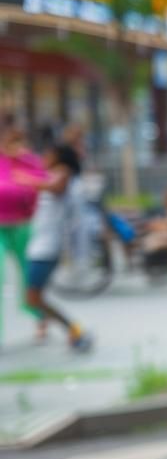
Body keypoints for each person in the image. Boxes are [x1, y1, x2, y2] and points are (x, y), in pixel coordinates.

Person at [18, 143, 92, 351]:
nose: (44, 156)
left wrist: (24, 179)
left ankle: (75, 330)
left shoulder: (63, 174)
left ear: (58, 157)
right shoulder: (53, 174)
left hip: (47, 247)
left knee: (33, 297)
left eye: (48, 153)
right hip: (40, 245)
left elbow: (55, 187)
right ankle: (69, 330)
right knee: (34, 297)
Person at [0, 115, 46, 338]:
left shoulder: (29, 162)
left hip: (22, 225)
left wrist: (26, 180)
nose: (12, 146)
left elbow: (44, 182)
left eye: (17, 141)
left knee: (28, 274)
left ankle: (39, 316)